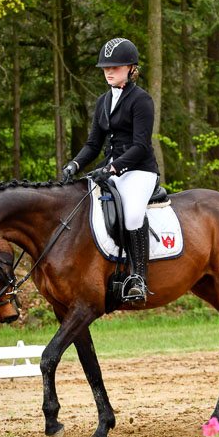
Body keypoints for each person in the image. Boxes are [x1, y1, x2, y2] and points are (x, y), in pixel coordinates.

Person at [62, 37, 160, 302]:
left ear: (130, 67)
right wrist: (75, 164)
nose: (108, 71)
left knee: (131, 214)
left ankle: (138, 278)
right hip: (112, 169)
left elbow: (140, 146)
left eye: (114, 67)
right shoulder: (103, 101)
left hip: (139, 171)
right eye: (105, 67)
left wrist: (114, 168)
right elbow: (93, 143)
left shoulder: (142, 100)